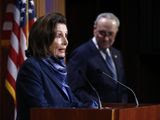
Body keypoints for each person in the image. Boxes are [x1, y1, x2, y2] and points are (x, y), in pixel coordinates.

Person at [16, 13, 83, 120]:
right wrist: (74, 110)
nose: (66, 42)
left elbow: (73, 102)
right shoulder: (31, 67)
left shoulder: (59, 70)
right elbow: (41, 110)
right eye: (59, 36)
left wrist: (94, 107)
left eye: (66, 35)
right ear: (44, 38)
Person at [67, 12, 128, 108]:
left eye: (110, 34)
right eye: (102, 33)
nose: (106, 38)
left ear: (116, 32)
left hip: (119, 111)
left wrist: (123, 105)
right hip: (95, 112)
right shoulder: (81, 53)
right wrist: (97, 105)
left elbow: (122, 86)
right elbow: (75, 88)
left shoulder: (117, 54)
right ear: (94, 29)